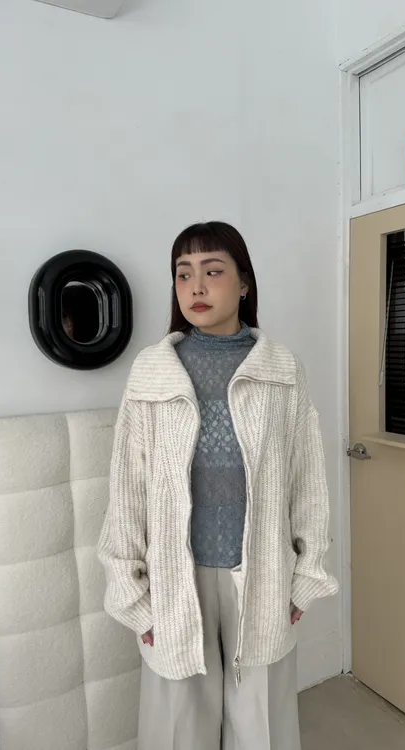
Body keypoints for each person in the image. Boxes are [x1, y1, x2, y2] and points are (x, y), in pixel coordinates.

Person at [98, 221, 339, 750]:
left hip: (263, 572)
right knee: (178, 725)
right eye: (184, 274)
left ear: (244, 283)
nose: (197, 287)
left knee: (262, 722)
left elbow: (307, 480)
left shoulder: (280, 369)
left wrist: (306, 573)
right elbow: (128, 488)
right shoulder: (153, 371)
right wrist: (130, 593)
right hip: (174, 577)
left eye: (213, 271)